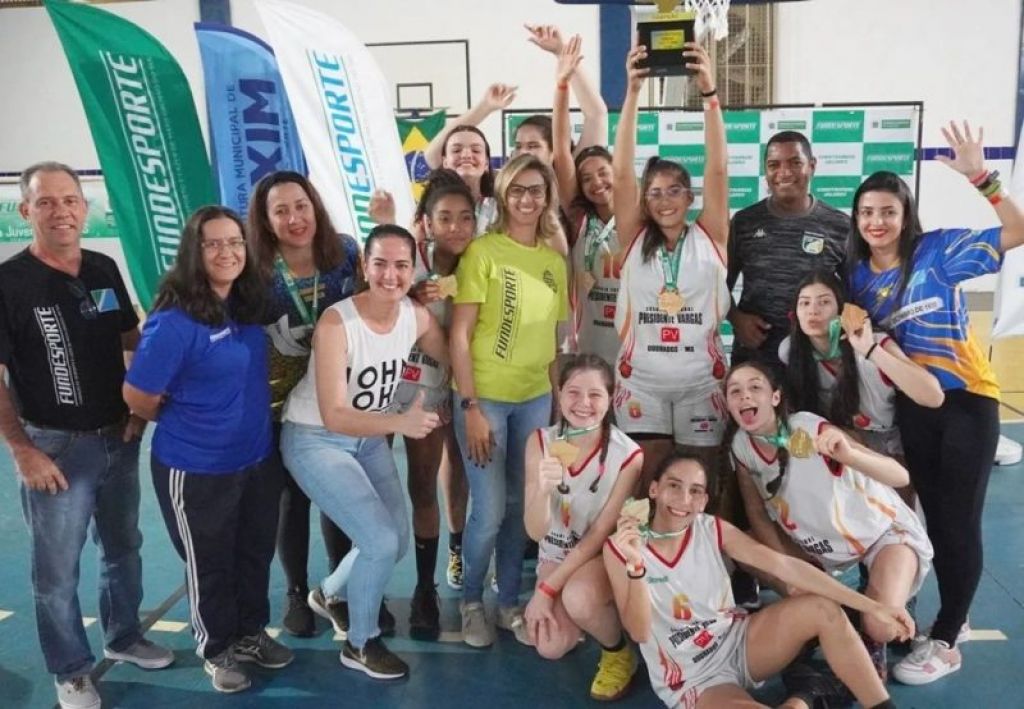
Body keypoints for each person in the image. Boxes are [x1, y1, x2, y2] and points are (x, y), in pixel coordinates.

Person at [846, 121, 1024, 684]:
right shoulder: (855, 279)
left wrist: (983, 177)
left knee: (956, 520)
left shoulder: (938, 250)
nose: (877, 222)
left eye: (888, 212)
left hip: (968, 400)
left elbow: (1017, 231)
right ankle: (956, 614)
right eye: (867, 212)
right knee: (927, 519)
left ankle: (947, 640)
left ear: (905, 216)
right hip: (915, 409)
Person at [0, 162, 173, 709]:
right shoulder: (8, 284)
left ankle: (122, 637)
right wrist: (22, 449)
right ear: (25, 211)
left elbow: (130, 337)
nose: (61, 211)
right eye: (46, 202)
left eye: (70, 200)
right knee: (56, 571)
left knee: (124, 548)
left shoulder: (102, 268)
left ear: (85, 207)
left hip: (116, 436)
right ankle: (71, 669)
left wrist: (137, 412)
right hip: (53, 445)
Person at [124, 206, 292, 694]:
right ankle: (217, 649)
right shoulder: (173, 321)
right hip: (196, 467)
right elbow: (137, 396)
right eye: (213, 243)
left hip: (256, 458)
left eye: (235, 242)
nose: (227, 252)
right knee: (209, 562)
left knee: (254, 552)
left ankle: (250, 633)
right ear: (194, 253)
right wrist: (190, 421)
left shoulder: (245, 304)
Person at [603, 453, 910, 709]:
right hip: (694, 677)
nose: (684, 499)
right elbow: (639, 630)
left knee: (823, 609)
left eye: (695, 490)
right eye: (674, 485)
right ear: (654, 490)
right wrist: (637, 567)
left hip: (739, 642)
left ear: (704, 499)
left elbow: (784, 565)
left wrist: (873, 606)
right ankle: (801, 698)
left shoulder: (710, 528)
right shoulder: (622, 547)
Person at [280, 224, 449, 680]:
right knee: (378, 540)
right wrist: (401, 422)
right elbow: (335, 414)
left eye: (401, 265)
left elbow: (448, 352)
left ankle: (331, 594)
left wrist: (469, 400)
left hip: (367, 438)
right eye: (380, 263)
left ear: (413, 269)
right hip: (315, 437)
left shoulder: (415, 315)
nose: (391, 275)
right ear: (364, 266)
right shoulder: (338, 323)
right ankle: (360, 643)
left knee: (392, 538)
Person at [725, 360, 933, 681]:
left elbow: (899, 475)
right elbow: (757, 515)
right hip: (823, 554)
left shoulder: (807, 427)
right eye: (734, 391)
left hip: (882, 535)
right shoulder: (742, 445)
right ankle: (844, 610)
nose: (744, 396)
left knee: (880, 625)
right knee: (746, 548)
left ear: (776, 397)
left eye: (755, 387)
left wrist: (849, 456)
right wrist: (788, 573)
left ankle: (872, 623)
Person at [450, 153, 569, 648]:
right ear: (502, 196)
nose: (526, 199)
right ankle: (472, 601)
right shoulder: (482, 252)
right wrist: (471, 407)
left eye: (536, 190)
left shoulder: (552, 262)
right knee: (490, 507)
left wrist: (558, 403)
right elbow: (459, 336)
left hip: (535, 399)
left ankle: (506, 603)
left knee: (524, 504)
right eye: (517, 190)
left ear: (548, 198)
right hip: (486, 400)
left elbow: (556, 340)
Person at [247, 171, 367, 639]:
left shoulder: (344, 253)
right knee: (289, 500)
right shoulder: (255, 271)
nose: (295, 218)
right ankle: (297, 592)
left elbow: (369, 304)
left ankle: (336, 591)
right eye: (281, 210)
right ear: (265, 219)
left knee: (336, 496)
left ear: (315, 205)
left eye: (301, 205)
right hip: (276, 406)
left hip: (334, 400)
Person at [611, 42, 729, 490]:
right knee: (645, 486)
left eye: (674, 190)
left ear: (690, 196)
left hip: (702, 384)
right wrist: (633, 92)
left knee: (703, 485)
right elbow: (622, 173)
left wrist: (710, 95)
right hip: (642, 384)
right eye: (655, 192)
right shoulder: (634, 238)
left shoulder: (712, 236)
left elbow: (718, 169)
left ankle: (702, 558)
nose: (663, 199)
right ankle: (644, 562)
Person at [382, 170, 473, 639]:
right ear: (427, 223)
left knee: (423, 485)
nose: (455, 227)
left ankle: (424, 589)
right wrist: (408, 293)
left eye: (465, 218)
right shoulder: (405, 260)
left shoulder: (481, 265)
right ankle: (368, 586)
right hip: (379, 391)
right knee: (370, 488)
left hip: (432, 391)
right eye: (445, 218)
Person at [522, 355, 642, 700]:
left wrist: (546, 592)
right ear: (558, 395)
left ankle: (617, 650)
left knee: (579, 596)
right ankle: (584, 617)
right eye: (573, 392)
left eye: (595, 395)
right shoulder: (541, 442)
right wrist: (543, 491)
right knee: (549, 645)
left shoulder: (628, 455)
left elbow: (599, 535)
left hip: (599, 556)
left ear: (610, 399)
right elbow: (534, 532)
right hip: (555, 554)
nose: (583, 404)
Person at [780, 269, 944, 460]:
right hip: (834, 440)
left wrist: (870, 350)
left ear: (842, 309)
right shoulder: (791, 351)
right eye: (804, 303)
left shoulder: (872, 342)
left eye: (824, 302)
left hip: (888, 445)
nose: (813, 310)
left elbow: (934, 397)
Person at [728, 131, 848, 369]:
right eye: (774, 165)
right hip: (755, 357)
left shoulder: (839, 225)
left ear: (812, 166)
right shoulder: (744, 222)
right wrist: (736, 319)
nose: (784, 172)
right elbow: (718, 285)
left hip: (816, 360)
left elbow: (853, 294)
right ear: (765, 170)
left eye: (795, 163)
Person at [551, 36, 621, 367]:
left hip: (635, 350)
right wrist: (562, 85)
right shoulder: (580, 219)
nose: (596, 182)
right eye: (586, 178)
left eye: (603, 173)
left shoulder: (638, 218)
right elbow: (562, 153)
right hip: (588, 346)